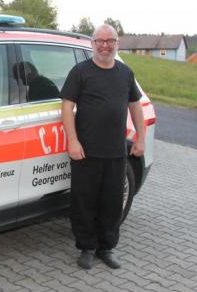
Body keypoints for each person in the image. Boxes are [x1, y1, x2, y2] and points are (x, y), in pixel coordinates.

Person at [59, 24, 145, 270]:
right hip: (85, 151)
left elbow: (135, 106)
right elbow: (66, 107)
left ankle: (107, 247)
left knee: (111, 202)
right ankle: (86, 247)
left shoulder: (125, 73)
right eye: (100, 41)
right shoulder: (81, 72)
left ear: (117, 43)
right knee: (84, 202)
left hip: (116, 151)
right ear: (92, 44)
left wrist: (140, 137)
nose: (105, 45)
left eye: (110, 40)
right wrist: (73, 141)